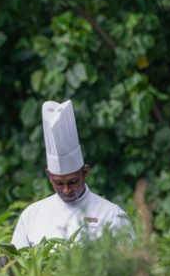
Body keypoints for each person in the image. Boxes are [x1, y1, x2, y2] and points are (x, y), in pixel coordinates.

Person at [11, 100, 132, 248]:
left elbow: (133, 263)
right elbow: (17, 263)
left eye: (73, 181)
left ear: (85, 172)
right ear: (49, 176)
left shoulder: (112, 215)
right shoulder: (32, 215)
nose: (66, 190)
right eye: (59, 183)